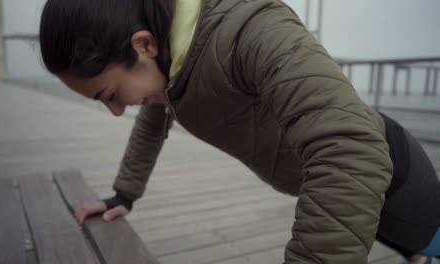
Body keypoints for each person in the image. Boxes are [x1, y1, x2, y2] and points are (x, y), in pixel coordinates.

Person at [38, 0, 440, 263]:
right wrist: (124, 193)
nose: (115, 110)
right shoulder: (169, 67)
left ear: (142, 45)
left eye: (110, 94)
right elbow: (153, 119)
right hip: (335, 192)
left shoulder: (252, 30)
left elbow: (352, 148)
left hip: (391, 179)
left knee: (423, 242)